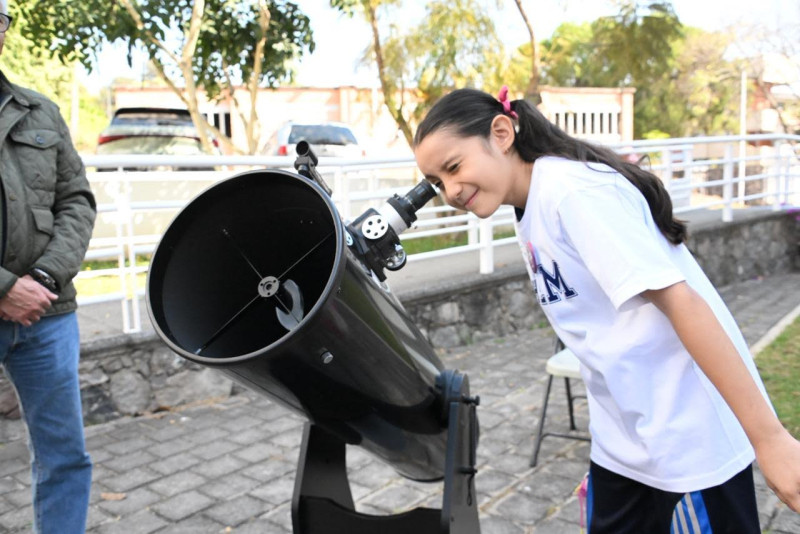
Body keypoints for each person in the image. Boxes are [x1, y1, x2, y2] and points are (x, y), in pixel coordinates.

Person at [413, 86, 800, 532]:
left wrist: (769, 439)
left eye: (454, 166)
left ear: (501, 133)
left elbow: (682, 302)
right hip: (623, 441)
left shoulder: (571, 193)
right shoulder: (531, 203)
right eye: (437, 181)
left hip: (685, 438)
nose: (450, 191)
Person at [0, 2, 97, 532]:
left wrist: (43, 278)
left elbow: (77, 201)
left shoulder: (40, 111)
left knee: (65, 458)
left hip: (47, 315)